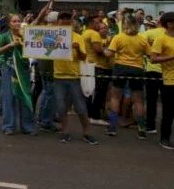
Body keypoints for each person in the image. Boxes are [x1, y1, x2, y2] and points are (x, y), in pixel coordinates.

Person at [53, 12, 98, 145]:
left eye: (68, 19)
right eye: (62, 19)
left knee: (81, 108)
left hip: (74, 77)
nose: (65, 21)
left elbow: (84, 58)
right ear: (58, 21)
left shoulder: (78, 37)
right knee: (61, 108)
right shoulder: (52, 35)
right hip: (58, 76)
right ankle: (65, 132)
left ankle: (87, 132)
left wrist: (78, 49)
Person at [105, 13, 151, 138]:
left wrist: (105, 48)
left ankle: (112, 128)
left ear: (124, 24)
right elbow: (151, 55)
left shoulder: (118, 37)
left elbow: (108, 54)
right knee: (138, 100)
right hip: (137, 69)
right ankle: (142, 129)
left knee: (115, 98)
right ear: (136, 24)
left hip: (120, 68)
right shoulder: (142, 39)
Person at [0, 14, 37, 135]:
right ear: (9, 24)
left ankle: (27, 127)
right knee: (9, 98)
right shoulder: (4, 36)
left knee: (25, 97)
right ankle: (8, 126)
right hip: (8, 69)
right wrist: (10, 45)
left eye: (19, 21)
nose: (17, 23)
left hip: (23, 70)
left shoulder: (26, 35)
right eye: (14, 21)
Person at [149, 12, 174, 150]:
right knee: (168, 112)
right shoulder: (161, 39)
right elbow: (153, 58)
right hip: (169, 80)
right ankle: (164, 139)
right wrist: (171, 57)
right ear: (169, 24)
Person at [84, 14, 111, 126]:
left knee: (90, 92)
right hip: (96, 65)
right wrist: (109, 51)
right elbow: (98, 50)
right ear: (91, 23)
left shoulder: (85, 32)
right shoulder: (94, 34)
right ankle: (94, 116)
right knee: (99, 92)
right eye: (96, 22)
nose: (99, 24)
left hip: (88, 64)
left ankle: (89, 115)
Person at [141, 16, 165, 134]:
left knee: (151, 99)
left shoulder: (149, 33)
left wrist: (147, 51)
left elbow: (138, 43)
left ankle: (151, 126)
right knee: (168, 101)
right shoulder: (170, 34)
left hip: (152, 69)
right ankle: (166, 127)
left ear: (158, 22)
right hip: (168, 71)